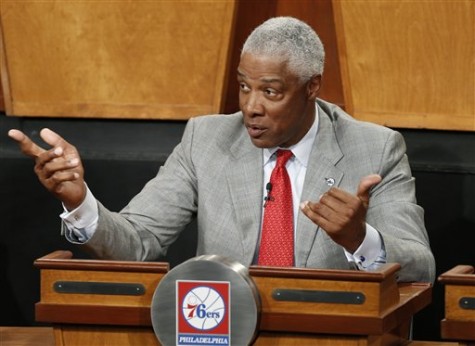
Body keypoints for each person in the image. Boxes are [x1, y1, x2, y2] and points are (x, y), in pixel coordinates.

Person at [8, 17, 435, 283]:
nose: (251, 106)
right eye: (244, 86)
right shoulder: (207, 139)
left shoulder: (376, 147)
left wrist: (361, 239)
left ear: (312, 88)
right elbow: (138, 241)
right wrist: (79, 201)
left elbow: (421, 267)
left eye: (271, 91)